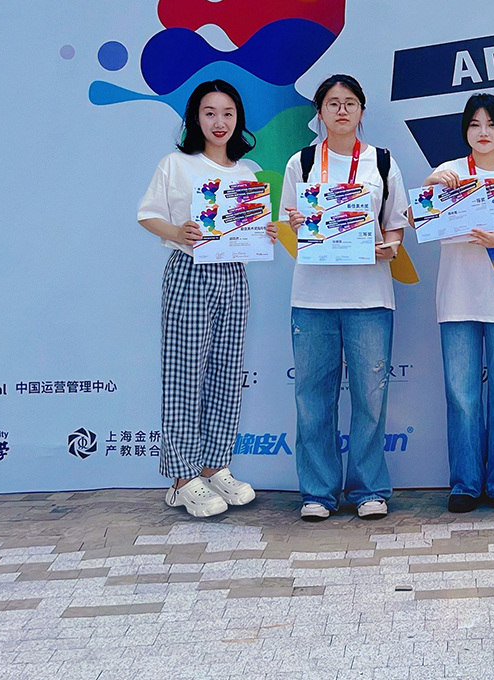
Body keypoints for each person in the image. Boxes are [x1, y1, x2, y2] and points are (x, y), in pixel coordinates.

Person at [136, 79, 279, 518]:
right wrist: (177, 232)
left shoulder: (247, 172)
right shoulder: (176, 164)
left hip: (234, 276)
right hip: (190, 272)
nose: (220, 122)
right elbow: (148, 214)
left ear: (238, 119)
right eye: (210, 112)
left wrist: (265, 232)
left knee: (226, 373)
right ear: (195, 118)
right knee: (184, 374)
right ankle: (182, 479)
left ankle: (216, 466)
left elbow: (249, 233)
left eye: (228, 113)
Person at [282, 74, 410, 521]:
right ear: (319, 112)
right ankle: (318, 493)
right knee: (312, 398)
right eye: (333, 103)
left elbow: (396, 223)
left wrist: (390, 247)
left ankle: (368, 489)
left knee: (370, 399)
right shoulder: (301, 163)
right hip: (312, 297)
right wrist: (298, 222)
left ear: (361, 110)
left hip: (369, 296)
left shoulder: (382, 163)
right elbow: (291, 220)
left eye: (350, 102)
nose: (341, 110)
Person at [422, 93, 494, 513]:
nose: (483, 132)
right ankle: (466, 484)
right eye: (474, 124)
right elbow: (422, 219)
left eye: (491, 124)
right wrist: (431, 188)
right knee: (462, 395)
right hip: (456, 298)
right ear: (465, 131)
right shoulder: (449, 171)